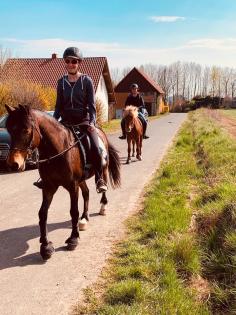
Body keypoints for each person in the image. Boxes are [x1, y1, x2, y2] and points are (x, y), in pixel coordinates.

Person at [34, 47, 107, 193]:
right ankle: (45, 177)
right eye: (67, 61)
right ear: (65, 63)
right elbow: (58, 106)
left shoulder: (86, 81)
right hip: (66, 122)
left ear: (79, 62)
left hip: (83, 121)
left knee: (95, 146)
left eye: (74, 61)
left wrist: (92, 122)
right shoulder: (61, 82)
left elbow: (92, 106)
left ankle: (99, 178)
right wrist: (52, 123)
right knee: (48, 145)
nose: (70, 64)